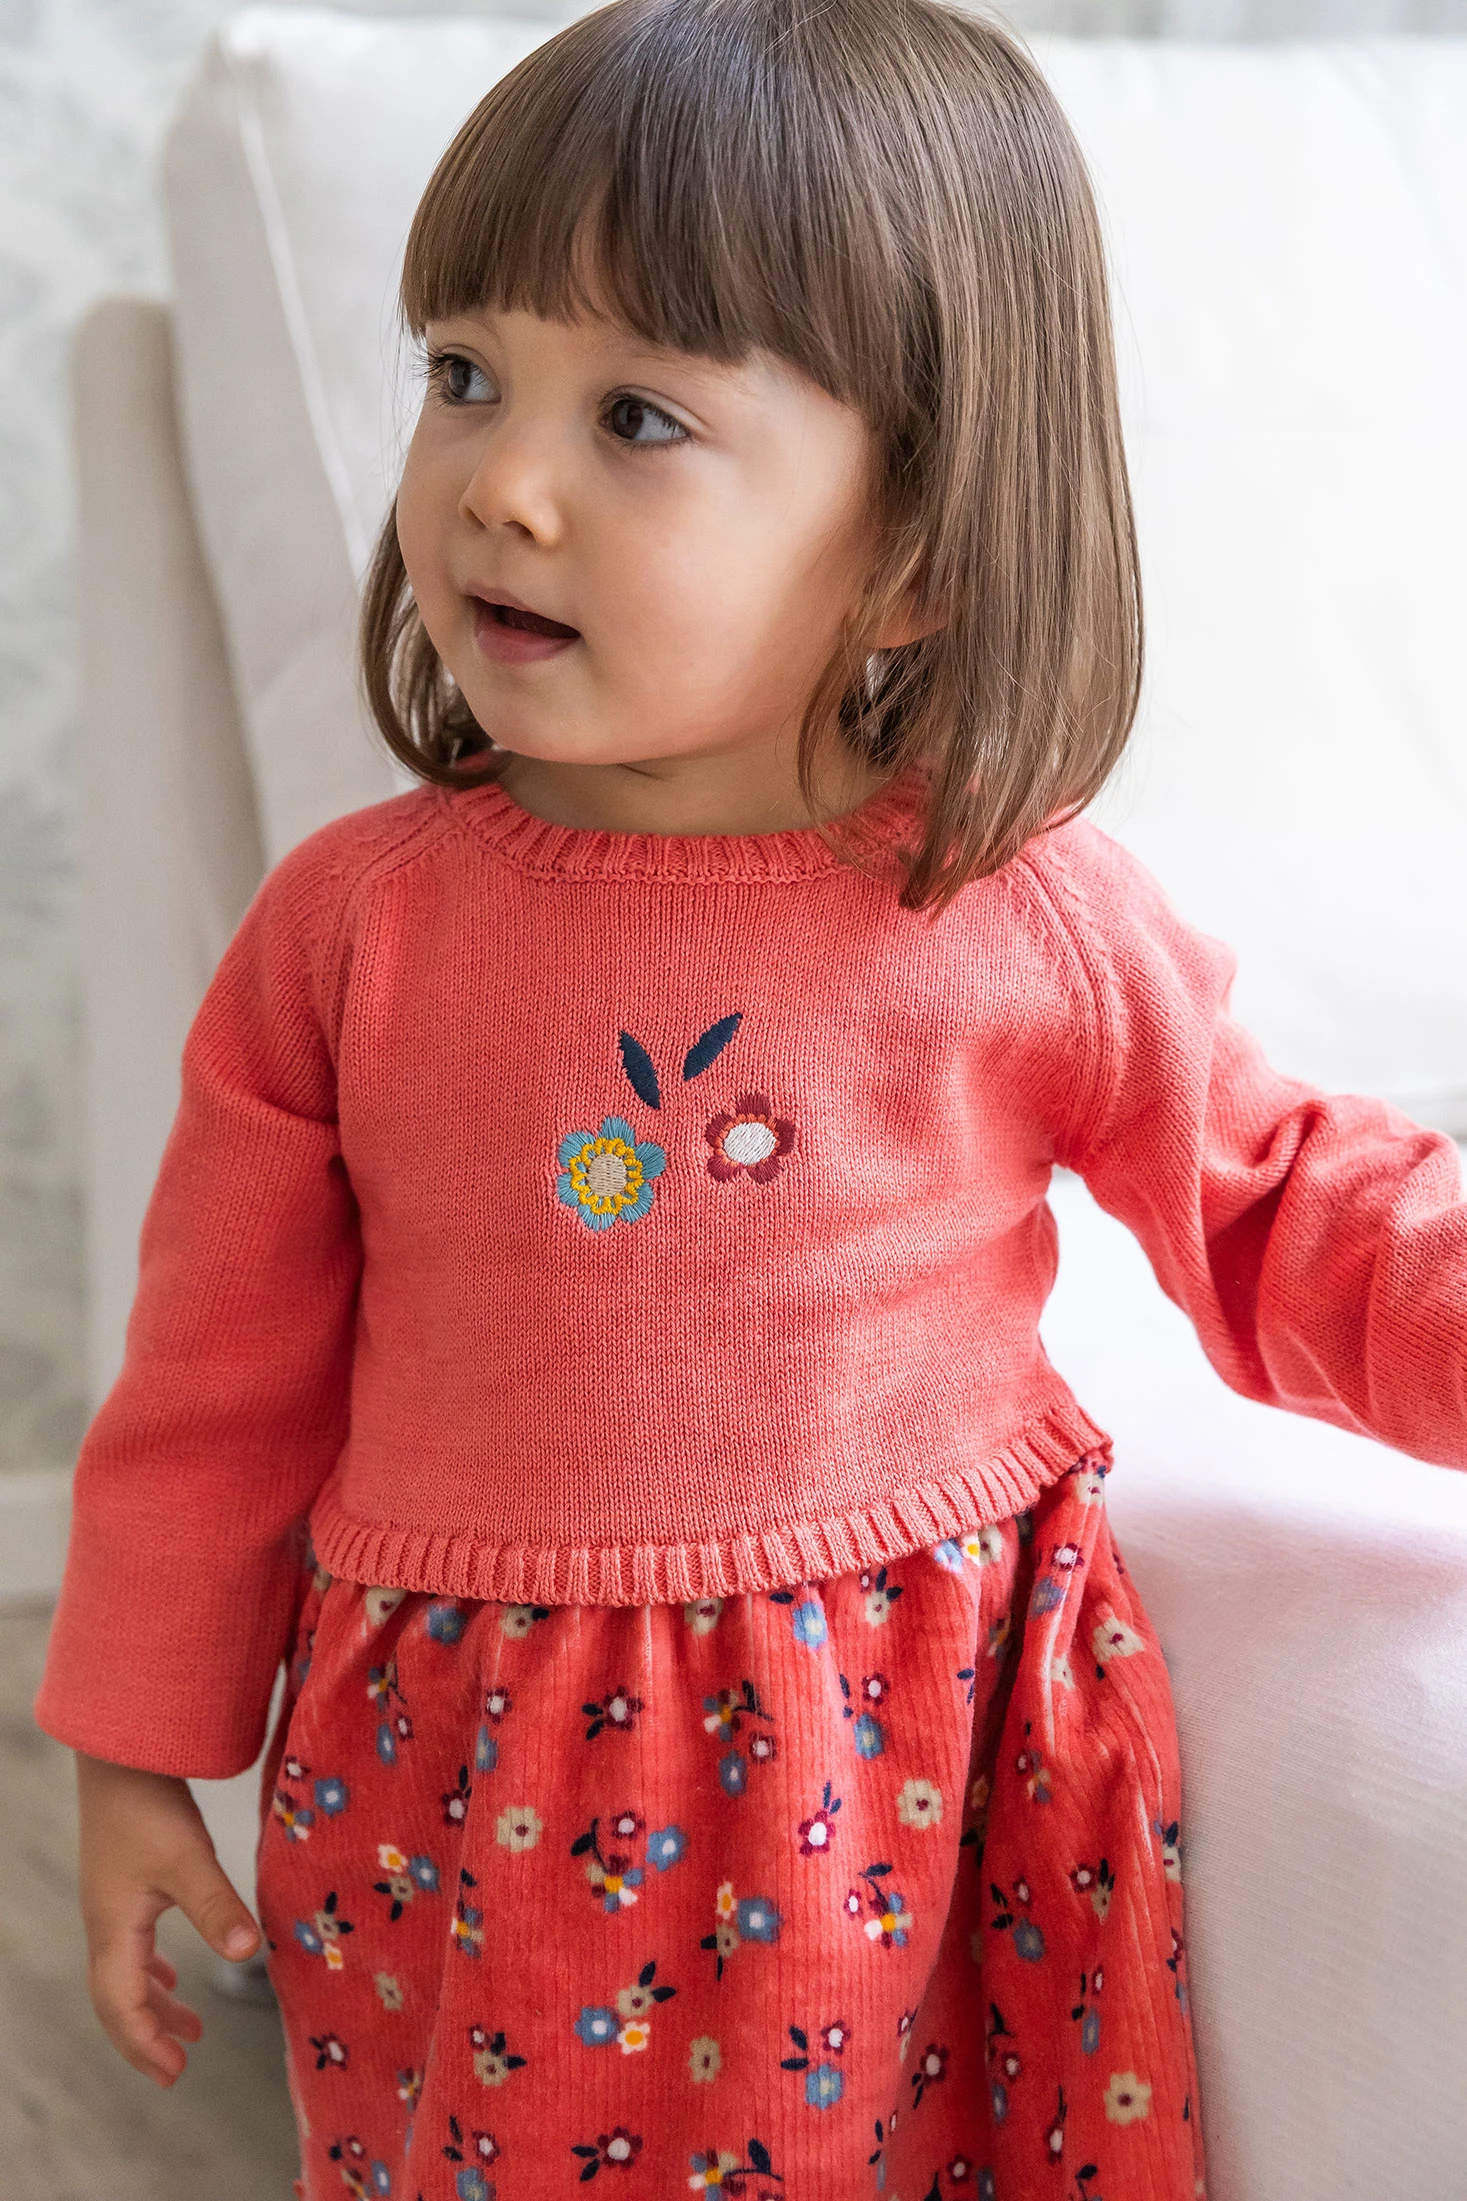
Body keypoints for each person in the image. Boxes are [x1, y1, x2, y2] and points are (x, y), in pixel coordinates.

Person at [33, 0, 1467, 2193]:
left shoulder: (1005, 907)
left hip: (904, 1762)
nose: (498, 481)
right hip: (461, 1785)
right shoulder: (350, 932)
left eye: (635, 414)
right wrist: (135, 1751)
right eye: (461, 374)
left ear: (910, 551)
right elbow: (213, 1385)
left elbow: (1275, 1198)